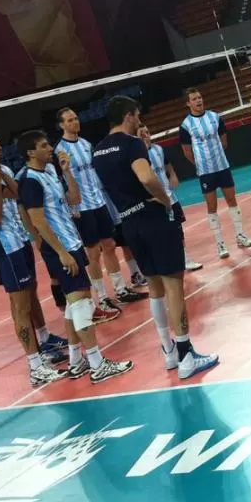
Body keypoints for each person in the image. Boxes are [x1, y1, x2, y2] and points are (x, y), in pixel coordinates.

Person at [93, 96, 219, 380]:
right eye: (136, 115)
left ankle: (169, 352)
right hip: (151, 216)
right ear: (127, 116)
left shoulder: (98, 151)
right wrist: (164, 201)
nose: (139, 121)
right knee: (174, 284)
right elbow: (146, 177)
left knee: (154, 287)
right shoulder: (132, 143)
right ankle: (187, 355)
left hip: (129, 222)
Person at [17, 130, 135, 384]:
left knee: (74, 304)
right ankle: (96, 363)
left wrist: (67, 171)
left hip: (71, 242)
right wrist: (61, 253)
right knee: (82, 303)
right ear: (30, 152)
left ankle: (76, 361)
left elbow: (74, 198)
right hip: (60, 248)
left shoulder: (49, 172)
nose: (50, 148)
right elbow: (37, 220)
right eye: (44, 145)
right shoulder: (29, 181)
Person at [0, 131, 68, 386]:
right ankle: (36, 366)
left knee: (31, 296)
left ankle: (45, 339)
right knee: (20, 308)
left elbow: (18, 195)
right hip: (6, 251)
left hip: (20, 243)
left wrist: (2, 174)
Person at [55, 108, 147, 321]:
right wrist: (73, 210)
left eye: (76, 118)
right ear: (61, 126)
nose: (75, 122)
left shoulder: (86, 144)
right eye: (69, 120)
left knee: (110, 245)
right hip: (83, 207)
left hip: (99, 201)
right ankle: (103, 296)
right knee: (93, 253)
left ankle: (120, 289)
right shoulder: (60, 151)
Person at [179, 88, 251, 259]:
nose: (198, 101)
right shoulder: (186, 126)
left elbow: (224, 141)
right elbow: (186, 151)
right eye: (194, 99)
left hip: (222, 166)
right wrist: (200, 163)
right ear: (188, 103)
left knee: (232, 200)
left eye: (199, 97)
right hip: (206, 172)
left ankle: (240, 236)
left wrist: (217, 155)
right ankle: (220, 244)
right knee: (212, 207)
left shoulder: (215, 117)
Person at [137, 123, 203, 272]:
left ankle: (185, 259)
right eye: (142, 134)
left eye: (147, 133)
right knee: (161, 234)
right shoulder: (138, 157)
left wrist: (173, 176)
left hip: (171, 198)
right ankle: (163, 263)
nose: (146, 136)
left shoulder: (158, 149)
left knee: (178, 230)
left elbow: (168, 165)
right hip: (156, 201)